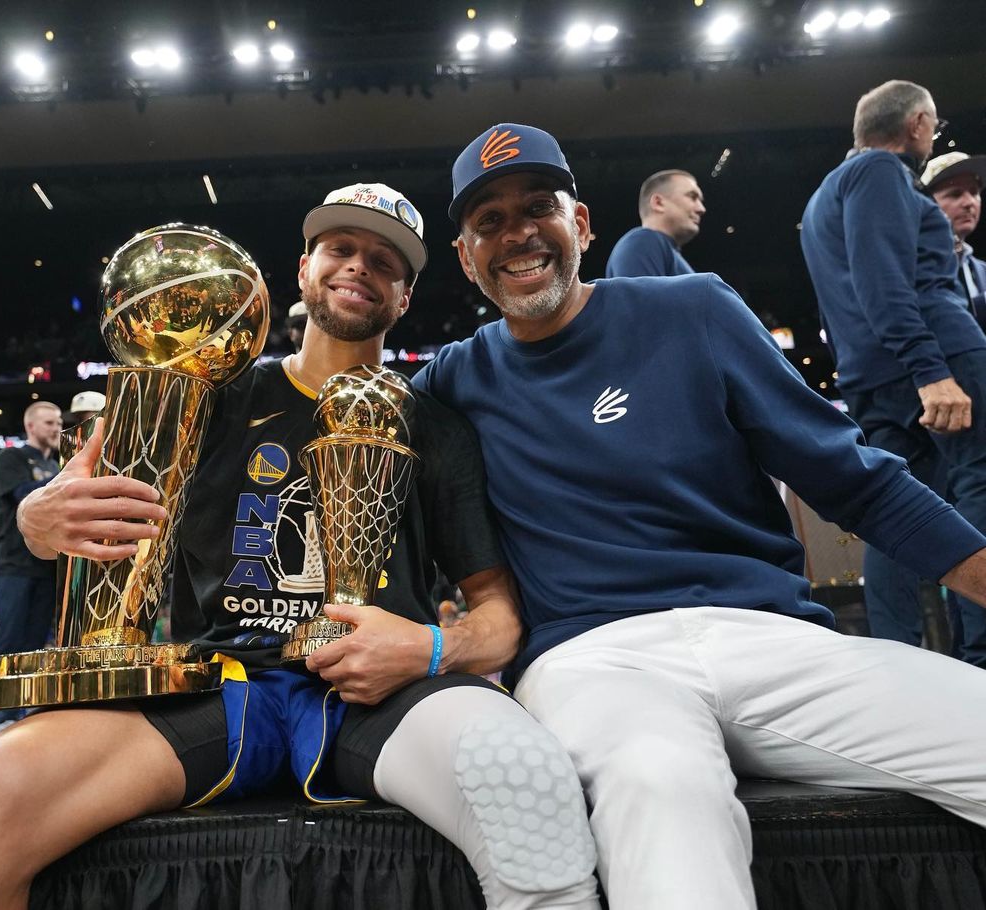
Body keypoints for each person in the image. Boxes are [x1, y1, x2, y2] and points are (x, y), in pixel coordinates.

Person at [0, 183, 598, 910]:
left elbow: (499, 619)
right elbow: (83, 511)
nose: (359, 266)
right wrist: (37, 523)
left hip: (380, 693)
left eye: (384, 262)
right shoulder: (205, 396)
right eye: (341, 249)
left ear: (404, 296)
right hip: (222, 686)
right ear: (303, 270)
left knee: (518, 773)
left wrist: (428, 648)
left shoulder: (435, 425)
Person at [416, 121, 986, 910]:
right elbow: (326, 430)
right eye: (488, 222)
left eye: (537, 207)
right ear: (466, 257)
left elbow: (855, 480)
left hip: (772, 638)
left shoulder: (693, 308)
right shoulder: (453, 380)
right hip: (594, 657)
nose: (517, 234)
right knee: (661, 787)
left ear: (580, 224)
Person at [800, 81, 986, 667]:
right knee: (979, 489)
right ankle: (978, 656)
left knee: (897, 514)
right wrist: (930, 370)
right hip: (935, 355)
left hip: (872, 374)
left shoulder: (823, 194)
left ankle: (900, 665)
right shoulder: (881, 173)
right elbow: (884, 282)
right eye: (933, 126)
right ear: (918, 124)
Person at [0, 400, 62, 738]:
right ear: (30, 426)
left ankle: (14, 715)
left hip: (47, 565)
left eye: (58, 422)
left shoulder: (56, 463)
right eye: (49, 422)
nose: (57, 427)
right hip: (14, 562)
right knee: (8, 638)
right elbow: (27, 495)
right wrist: (66, 487)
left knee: (34, 644)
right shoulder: (11, 457)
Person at [922, 151, 986, 329]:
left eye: (974, 192)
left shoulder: (982, 271)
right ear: (927, 203)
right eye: (955, 194)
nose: (969, 202)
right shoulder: (912, 269)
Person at [605, 169, 704, 277]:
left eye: (700, 201)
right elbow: (639, 294)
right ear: (658, 203)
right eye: (692, 197)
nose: (701, 209)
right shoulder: (643, 242)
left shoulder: (662, 250)